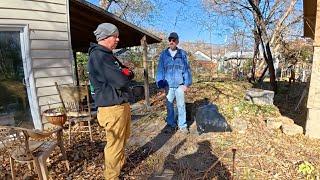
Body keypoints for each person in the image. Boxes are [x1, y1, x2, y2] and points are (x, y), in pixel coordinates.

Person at [87, 23, 134, 179]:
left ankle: (119, 168)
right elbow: (121, 80)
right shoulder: (99, 56)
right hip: (112, 108)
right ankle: (111, 177)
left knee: (122, 140)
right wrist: (124, 74)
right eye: (116, 36)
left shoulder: (108, 55)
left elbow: (127, 73)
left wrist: (126, 73)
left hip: (120, 104)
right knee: (114, 146)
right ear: (106, 37)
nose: (118, 39)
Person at [156, 32, 192, 134]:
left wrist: (186, 84)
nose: (172, 42)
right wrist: (161, 84)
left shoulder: (182, 54)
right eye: (170, 40)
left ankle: (182, 126)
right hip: (168, 86)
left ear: (177, 41)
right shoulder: (164, 55)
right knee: (169, 105)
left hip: (180, 86)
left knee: (181, 106)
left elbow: (186, 70)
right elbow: (160, 70)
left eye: (174, 40)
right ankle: (171, 124)